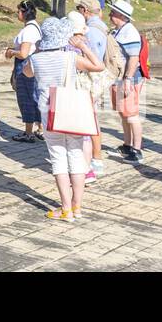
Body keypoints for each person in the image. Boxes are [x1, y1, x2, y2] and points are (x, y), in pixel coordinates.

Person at [26, 16, 104, 220]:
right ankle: (77, 207)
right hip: (72, 110)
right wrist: (82, 47)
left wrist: (37, 50)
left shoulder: (36, 59)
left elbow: (26, 73)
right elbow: (98, 66)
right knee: (77, 158)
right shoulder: (70, 58)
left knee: (58, 159)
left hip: (48, 113)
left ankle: (65, 207)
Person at [75, 0, 112, 174]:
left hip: (91, 80)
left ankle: (96, 159)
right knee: (92, 119)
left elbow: (94, 58)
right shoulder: (102, 26)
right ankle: (95, 157)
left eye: (79, 8)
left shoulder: (92, 31)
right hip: (95, 79)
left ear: (85, 11)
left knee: (91, 120)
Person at [108, 0, 144, 162]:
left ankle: (136, 149)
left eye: (113, 13)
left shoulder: (129, 32)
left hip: (127, 79)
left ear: (121, 16)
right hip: (119, 78)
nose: (110, 15)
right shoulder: (120, 30)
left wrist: (128, 79)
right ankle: (127, 144)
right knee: (124, 113)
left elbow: (134, 58)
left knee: (131, 115)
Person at [3, 1, 42, 142]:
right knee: (36, 97)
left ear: (24, 13)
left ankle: (28, 132)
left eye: (18, 11)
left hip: (25, 66)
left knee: (25, 99)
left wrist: (11, 52)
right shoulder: (36, 27)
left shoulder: (27, 31)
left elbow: (24, 53)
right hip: (35, 65)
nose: (17, 13)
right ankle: (40, 128)